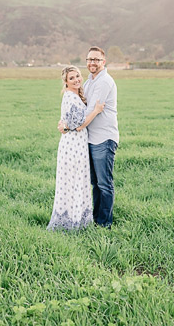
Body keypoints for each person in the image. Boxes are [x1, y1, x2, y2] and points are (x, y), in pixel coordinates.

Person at [47, 65, 104, 231]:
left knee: (76, 181)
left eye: (78, 76)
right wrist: (96, 111)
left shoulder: (75, 95)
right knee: (74, 181)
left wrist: (64, 125)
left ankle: (76, 218)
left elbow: (68, 122)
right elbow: (79, 125)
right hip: (73, 146)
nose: (76, 80)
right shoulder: (70, 97)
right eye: (71, 78)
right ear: (65, 82)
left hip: (76, 144)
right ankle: (72, 221)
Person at [82, 46, 118, 228]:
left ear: (103, 62)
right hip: (91, 138)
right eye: (89, 59)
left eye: (96, 59)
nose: (92, 63)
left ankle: (105, 224)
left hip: (103, 139)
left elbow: (90, 110)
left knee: (104, 183)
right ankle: (96, 219)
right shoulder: (89, 82)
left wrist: (73, 126)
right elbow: (82, 105)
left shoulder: (104, 81)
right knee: (95, 183)